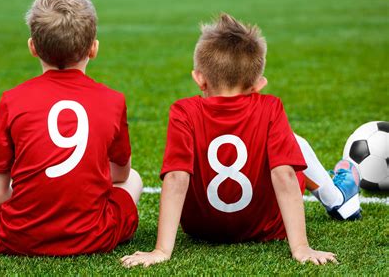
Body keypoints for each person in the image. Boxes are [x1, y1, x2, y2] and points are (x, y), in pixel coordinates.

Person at [121, 14, 360, 267]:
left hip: (201, 228)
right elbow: (285, 176)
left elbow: (177, 178)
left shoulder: (183, 111)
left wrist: (161, 250)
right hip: (266, 227)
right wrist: (301, 247)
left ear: (199, 78)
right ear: (259, 84)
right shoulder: (271, 107)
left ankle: (337, 195)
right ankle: (337, 196)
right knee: (293, 143)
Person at [0, 0, 143, 256]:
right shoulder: (113, 100)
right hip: (95, 236)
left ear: (32, 47)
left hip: (17, 237)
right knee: (134, 179)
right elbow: (122, 175)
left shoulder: (12, 100)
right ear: (94, 48)